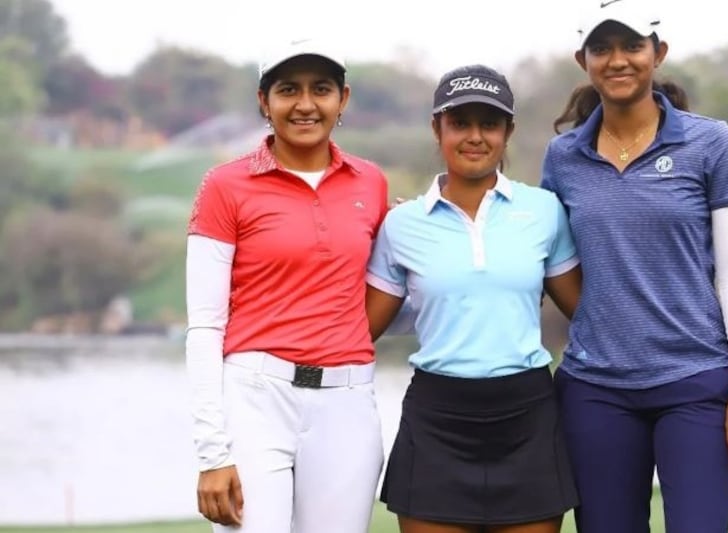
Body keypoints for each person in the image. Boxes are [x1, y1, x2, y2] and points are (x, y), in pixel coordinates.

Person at [540, 2, 728, 532]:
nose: (617, 60)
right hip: (595, 389)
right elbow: (557, 267)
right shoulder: (563, 156)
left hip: (695, 383)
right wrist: (601, 317)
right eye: (602, 49)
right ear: (584, 60)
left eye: (632, 46)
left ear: (657, 54)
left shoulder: (712, 142)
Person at [365, 64, 582, 533]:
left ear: (508, 132)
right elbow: (362, 330)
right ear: (437, 128)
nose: (475, 137)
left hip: (527, 412)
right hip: (437, 417)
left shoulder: (543, 211)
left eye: (489, 124)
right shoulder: (401, 225)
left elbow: (586, 312)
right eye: (460, 123)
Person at [185, 37, 390, 533]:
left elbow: (379, 294)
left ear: (343, 99)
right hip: (255, 398)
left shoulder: (371, 183)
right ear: (264, 101)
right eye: (287, 90)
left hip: (347, 401)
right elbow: (206, 325)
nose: (304, 104)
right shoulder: (225, 186)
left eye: (320, 89)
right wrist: (213, 452)